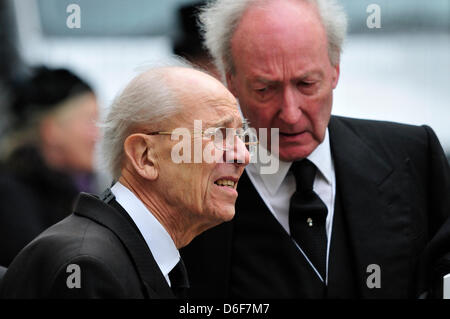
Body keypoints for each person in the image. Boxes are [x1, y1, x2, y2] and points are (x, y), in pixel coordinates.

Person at [181, 0, 450, 298]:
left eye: (307, 84)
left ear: (335, 70)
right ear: (230, 82)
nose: (291, 113)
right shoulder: (186, 193)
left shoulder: (412, 156)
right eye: (264, 89)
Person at [0, 66, 250, 298]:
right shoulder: (91, 269)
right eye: (217, 135)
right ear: (145, 156)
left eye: (241, 136)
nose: (243, 156)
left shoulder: (123, 256)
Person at [0, 66, 99, 267]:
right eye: (90, 121)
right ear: (51, 130)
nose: (98, 135)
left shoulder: (75, 190)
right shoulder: (10, 198)